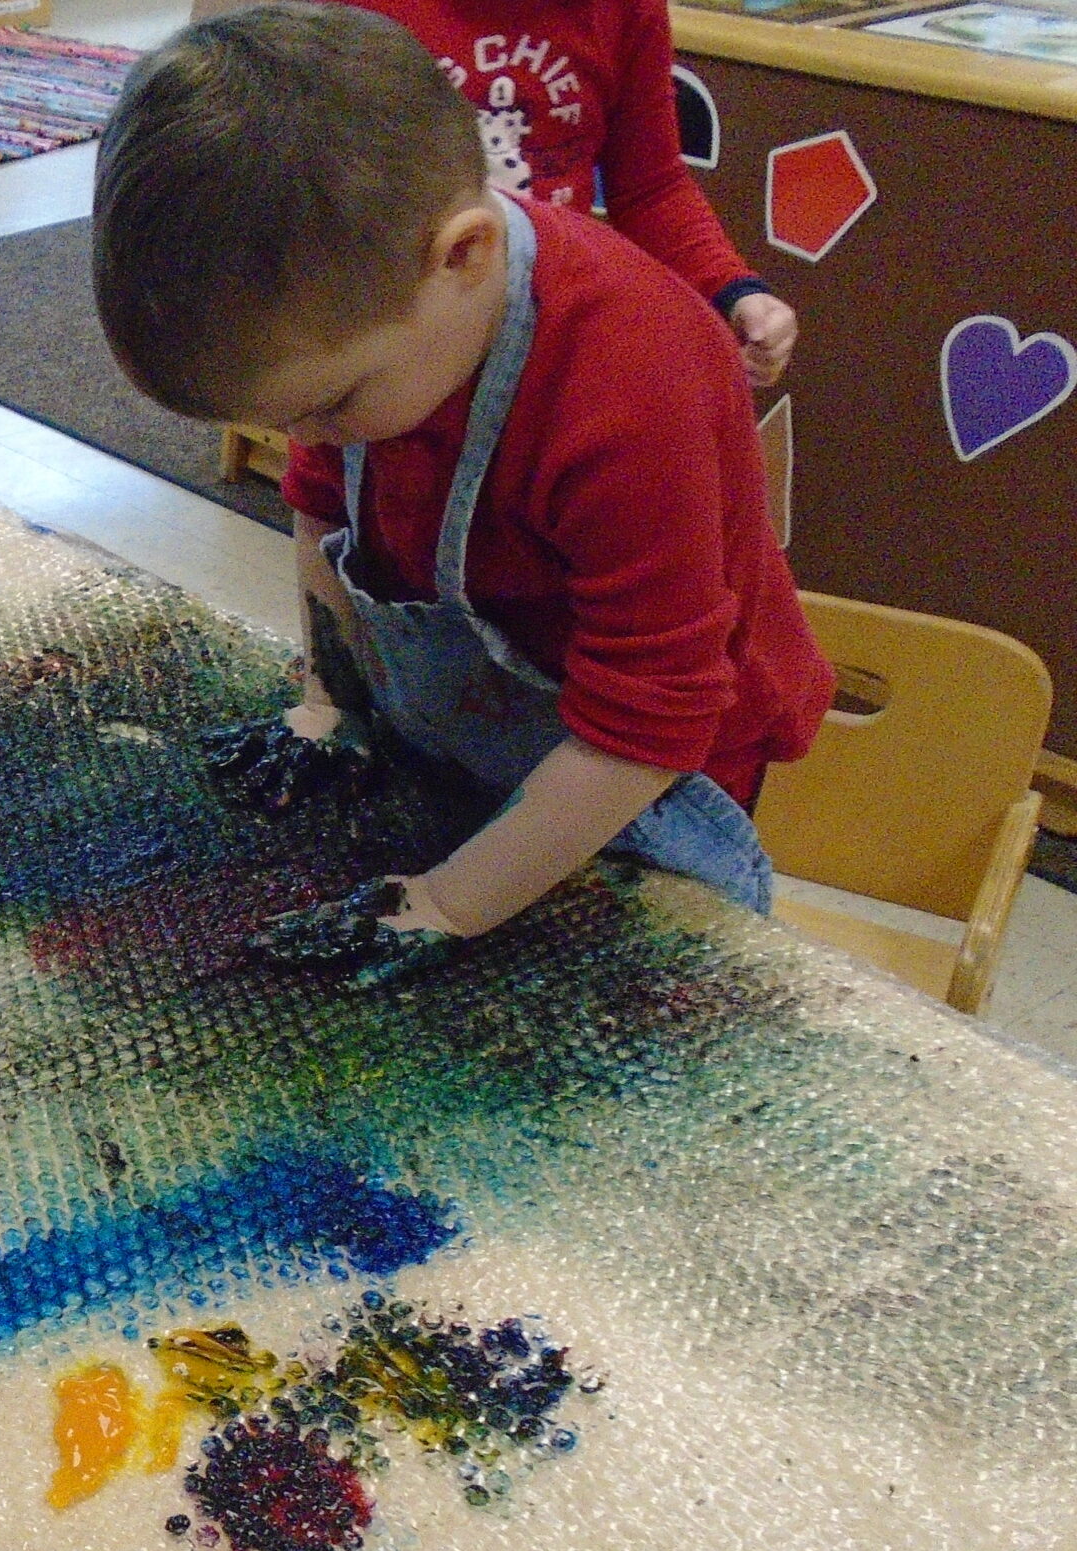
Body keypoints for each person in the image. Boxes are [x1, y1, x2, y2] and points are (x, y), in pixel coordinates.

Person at [94, 4, 835, 985]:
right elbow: (323, 508)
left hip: (647, 772)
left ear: (464, 256)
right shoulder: (386, 330)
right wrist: (329, 702)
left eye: (328, 405)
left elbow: (647, 724)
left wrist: (444, 904)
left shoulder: (630, 390)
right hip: (483, 713)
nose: (311, 438)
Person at [355, 0, 798, 384]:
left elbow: (650, 190)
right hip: (393, 334)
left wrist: (734, 290)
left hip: (546, 340)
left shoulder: (623, 11)